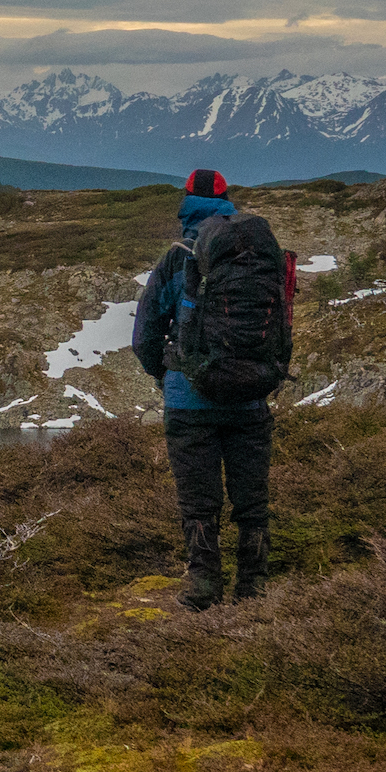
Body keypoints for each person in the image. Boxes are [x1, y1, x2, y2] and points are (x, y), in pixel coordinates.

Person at [132, 169, 276, 609]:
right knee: (251, 497)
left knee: (199, 498)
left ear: (186, 203)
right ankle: (254, 587)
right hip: (250, 394)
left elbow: (145, 335)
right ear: (228, 200)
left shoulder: (177, 257)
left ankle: (203, 587)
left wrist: (169, 374)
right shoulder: (257, 256)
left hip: (190, 401)